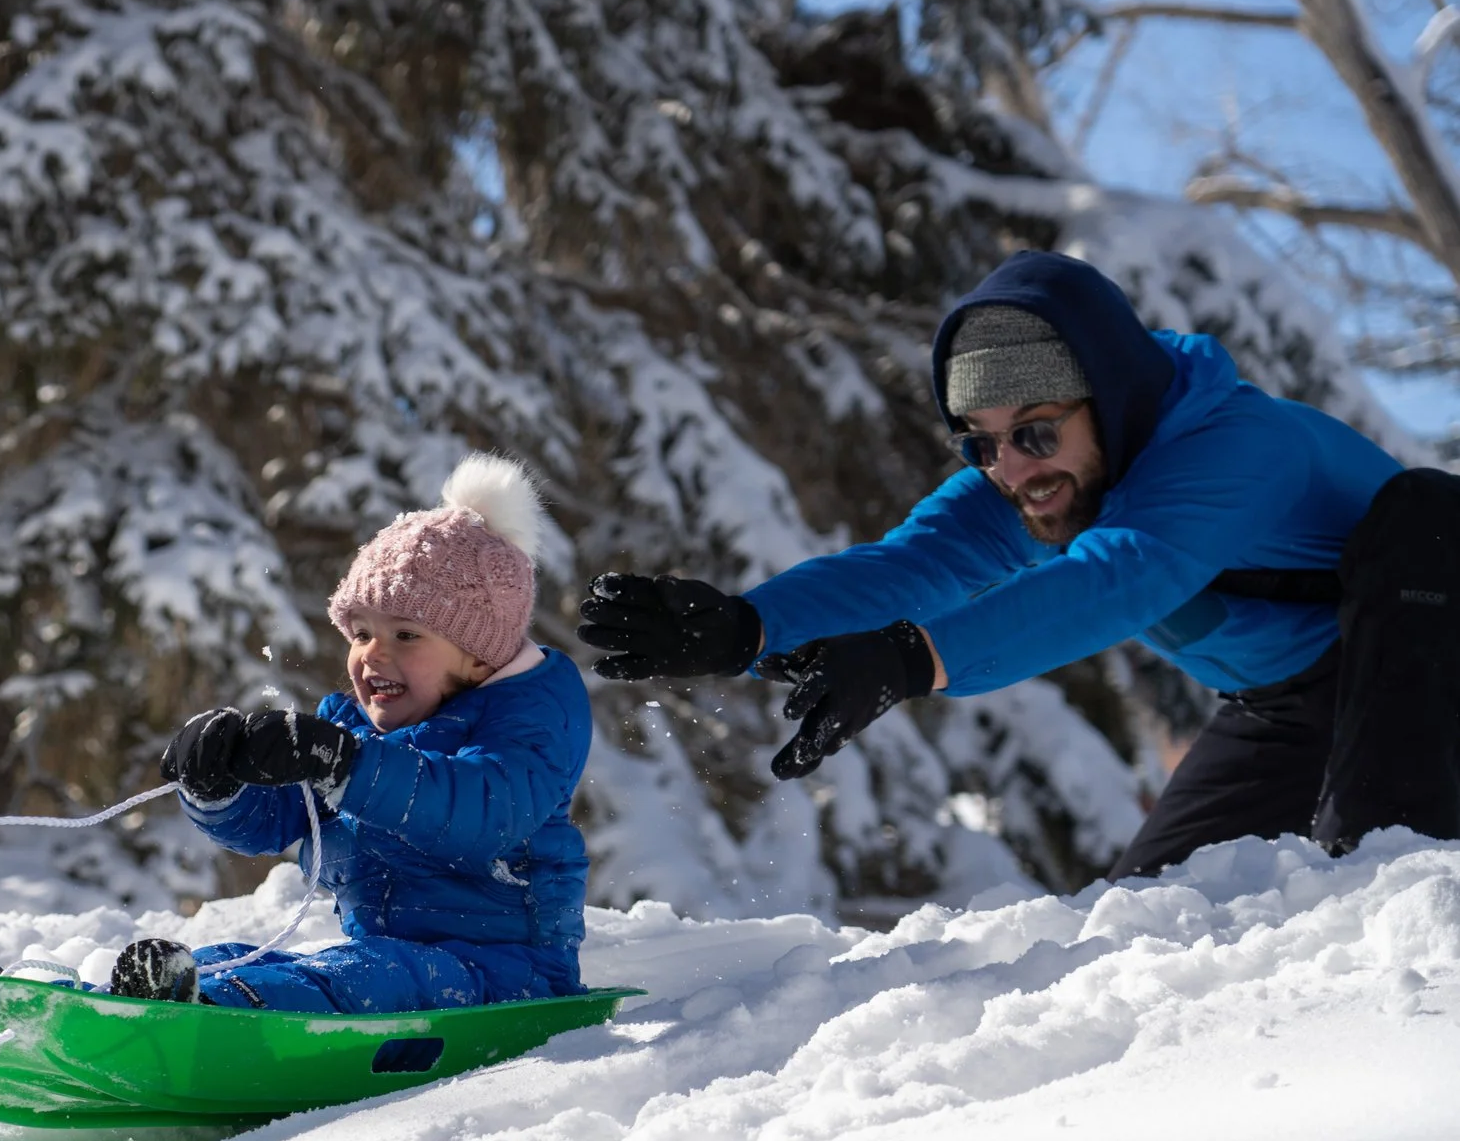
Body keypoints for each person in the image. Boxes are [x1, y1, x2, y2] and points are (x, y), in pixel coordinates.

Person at [575, 249, 1460, 882]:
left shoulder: (1238, 449)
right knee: (1158, 920)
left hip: (1435, 645)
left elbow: (1115, 578)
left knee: (1378, 871)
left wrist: (911, 659)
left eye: (1037, 430)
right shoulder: (1043, 482)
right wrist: (747, 626)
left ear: (1110, 396)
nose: (1015, 467)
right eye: (982, 444)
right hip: (1293, 703)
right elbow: (916, 561)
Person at [0, 453, 593, 1009]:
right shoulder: (350, 729)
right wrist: (220, 784)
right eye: (360, 632)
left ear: (479, 652)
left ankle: (194, 1012)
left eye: (406, 635)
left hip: (507, 975)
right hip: (384, 960)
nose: (372, 654)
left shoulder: (530, 722)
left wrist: (349, 768)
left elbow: (487, 810)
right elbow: (274, 821)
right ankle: (55, 1000)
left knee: (345, 978)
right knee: (228, 958)